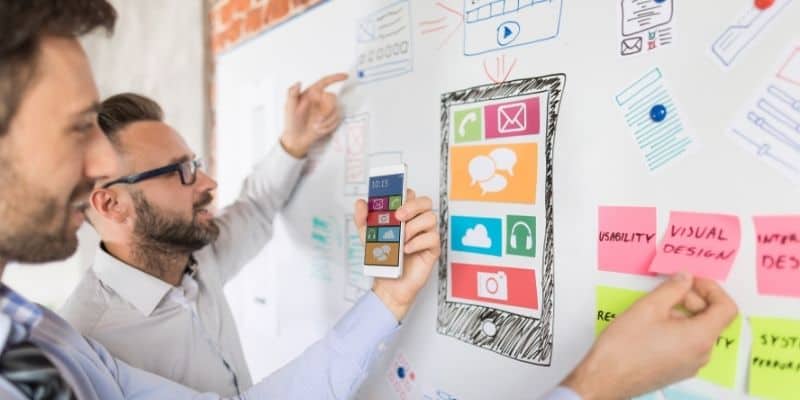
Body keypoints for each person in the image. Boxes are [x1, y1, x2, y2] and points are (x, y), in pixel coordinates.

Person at [0, 1, 737, 399]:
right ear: (113, 206)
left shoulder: (54, 341)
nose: (206, 183)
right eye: (73, 131)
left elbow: (254, 210)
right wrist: (601, 384)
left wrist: (295, 152)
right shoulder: (88, 338)